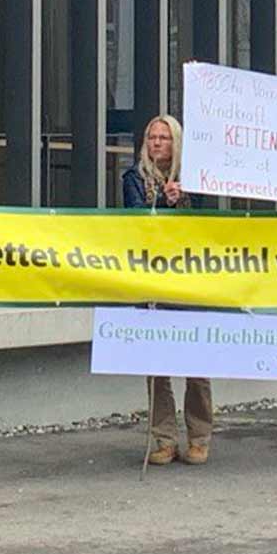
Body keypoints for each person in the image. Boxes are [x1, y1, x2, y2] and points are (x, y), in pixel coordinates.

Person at [123, 113, 215, 466]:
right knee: (156, 363)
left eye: (164, 137)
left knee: (196, 361)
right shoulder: (133, 177)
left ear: (176, 143)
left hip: (189, 276)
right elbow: (134, 216)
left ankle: (199, 435)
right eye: (151, 137)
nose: (157, 143)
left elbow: (207, 222)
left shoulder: (195, 179)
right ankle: (163, 438)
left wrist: (184, 198)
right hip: (152, 276)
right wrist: (164, 203)